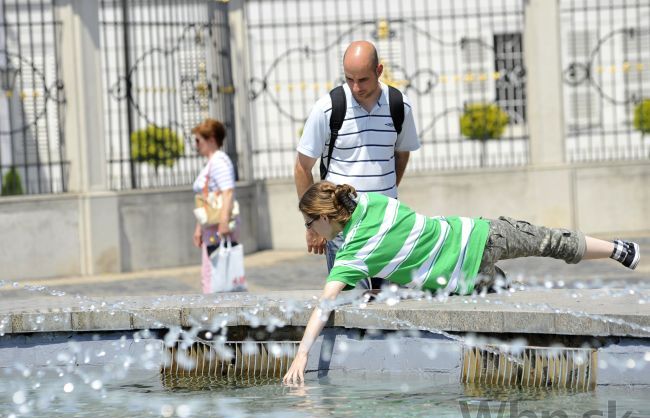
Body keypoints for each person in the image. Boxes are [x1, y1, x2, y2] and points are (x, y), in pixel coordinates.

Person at [283, 181, 641, 384]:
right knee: (548, 241)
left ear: (326, 218)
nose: (309, 231)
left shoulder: (352, 257)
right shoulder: (369, 202)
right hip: (478, 235)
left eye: (309, 223)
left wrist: (301, 356)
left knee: (502, 284)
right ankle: (619, 250)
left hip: (467, 278)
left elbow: (324, 306)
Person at [294, 40, 421, 290]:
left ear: (379, 70)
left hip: (388, 226)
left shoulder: (399, 105)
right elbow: (302, 167)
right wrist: (313, 224)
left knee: (390, 308)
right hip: (343, 230)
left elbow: (401, 154)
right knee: (351, 310)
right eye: (349, 78)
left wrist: (385, 192)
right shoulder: (328, 109)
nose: (355, 87)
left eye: (362, 79)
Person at [191, 118, 239, 294]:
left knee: (217, 277)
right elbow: (206, 199)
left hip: (217, 229)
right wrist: (199, 228)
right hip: (211, 228)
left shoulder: (219, 161)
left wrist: (224, 222)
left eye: (198, 140)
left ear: (211, 139)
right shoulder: (213, 162)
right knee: (212, 275)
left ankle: (219, 316)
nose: (196, 145)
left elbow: (227, 192)